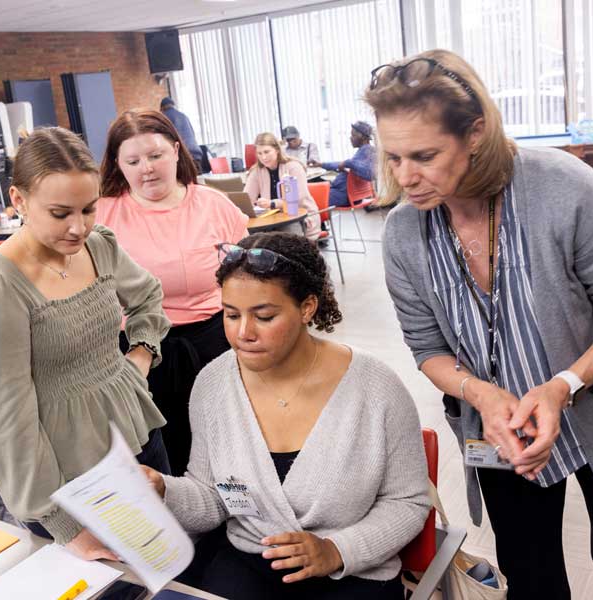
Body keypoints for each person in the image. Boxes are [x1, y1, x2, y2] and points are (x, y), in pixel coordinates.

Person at [369, 49, 593, 600]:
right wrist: (482, 395)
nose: (404, 177)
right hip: (502, 432)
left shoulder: (567, 189)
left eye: (424, 155)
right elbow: (427, 347)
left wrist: (562, 387)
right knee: (531, 580)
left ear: (476, 133)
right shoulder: (403, 234)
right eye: (392, 157)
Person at [142, 232, 430, 600]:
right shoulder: (214, 384)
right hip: (249, 558)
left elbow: (408, 502)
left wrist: (335, 551)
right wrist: (165, 490)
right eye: (230, 315)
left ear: (307, 307)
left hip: (353, 569)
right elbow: (215, 496)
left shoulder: (375, 389)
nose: (243, 333)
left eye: (264, 316)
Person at [0, 127, 171, 560]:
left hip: (137, 435)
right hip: (69, 471)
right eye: (59, 213)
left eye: (88, 209)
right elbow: (5, 417)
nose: (79, 227)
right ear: (18, 201)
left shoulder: (99, 246)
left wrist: (140, 355)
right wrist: (63, 524)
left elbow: (148, 296)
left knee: (167, 564)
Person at [97, 109, 249, 476]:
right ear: (118, 165)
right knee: (164, 453)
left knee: (229, 445)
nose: (146, 168)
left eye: (155, 155)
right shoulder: (103, 214)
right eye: (133, 160)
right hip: (140, 349)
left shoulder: (212, 204)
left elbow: (248, 279)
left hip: (215, 340)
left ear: (177, 152)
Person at [244, 132, 321, 241]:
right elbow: (247, 197)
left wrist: (272, 203)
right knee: (249, 237)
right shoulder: (256, 171)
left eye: (266, 152)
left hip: (298, 216)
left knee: (288, 236)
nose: (263, 157)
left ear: (277, 150)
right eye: (259, 153)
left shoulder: (294, 167)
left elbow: (298, 199)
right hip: (271, 218)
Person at [309, 121, 375, 208]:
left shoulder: (368, 151)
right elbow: (341, 164)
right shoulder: (363, 152)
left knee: (309, 198)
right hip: (343, 192)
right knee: (313, 194)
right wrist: (321, 164)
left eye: (353, 135)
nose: (350, 138)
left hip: (345, 195)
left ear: (362, 137)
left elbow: (370, 174)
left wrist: (348, 163)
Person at [160, 97, 203, 171]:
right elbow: (192, 134)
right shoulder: (183, 116)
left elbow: (163, 139)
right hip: (196, 155)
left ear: (162, 108)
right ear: (173, 105)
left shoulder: (164, 117)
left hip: (182, 156)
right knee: (196, 181)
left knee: (182, 182)